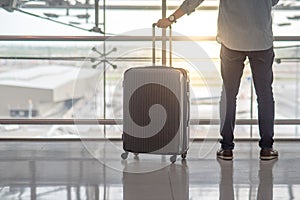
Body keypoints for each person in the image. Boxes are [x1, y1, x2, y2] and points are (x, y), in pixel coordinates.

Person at [156, 0, 279, 160]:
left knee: (229, 95)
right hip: (261, 40)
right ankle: (267, 148)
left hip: (231, 42)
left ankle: (226, 148)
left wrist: (172, 18)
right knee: (265, 97)